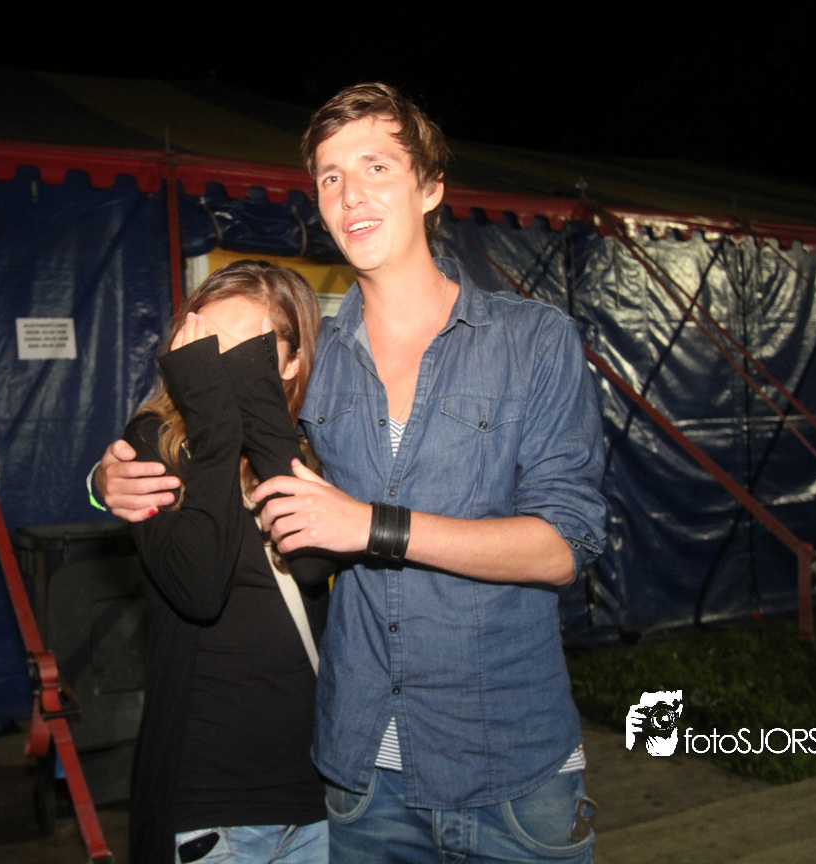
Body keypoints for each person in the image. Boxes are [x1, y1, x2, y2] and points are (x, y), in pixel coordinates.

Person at [99, 84, 607, 863]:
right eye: (330, 176)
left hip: (509, 769)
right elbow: (196, 439)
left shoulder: (532, 340)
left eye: (376, 166)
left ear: (431, 187)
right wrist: (105, 479)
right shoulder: (314, 362)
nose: (350, 194)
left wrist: (372, 527)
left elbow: (564, 545)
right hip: (361, 781)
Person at [122, 260, 332, 864]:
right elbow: (197, 589)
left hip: (318, 793)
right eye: (206, 345)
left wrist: (264, 423)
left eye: (247, 351)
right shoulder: (154, 444)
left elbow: (311, 564)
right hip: (211, 803)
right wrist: (216, 427)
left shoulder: (316, 447)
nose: (219, 364)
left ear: (291, 362)